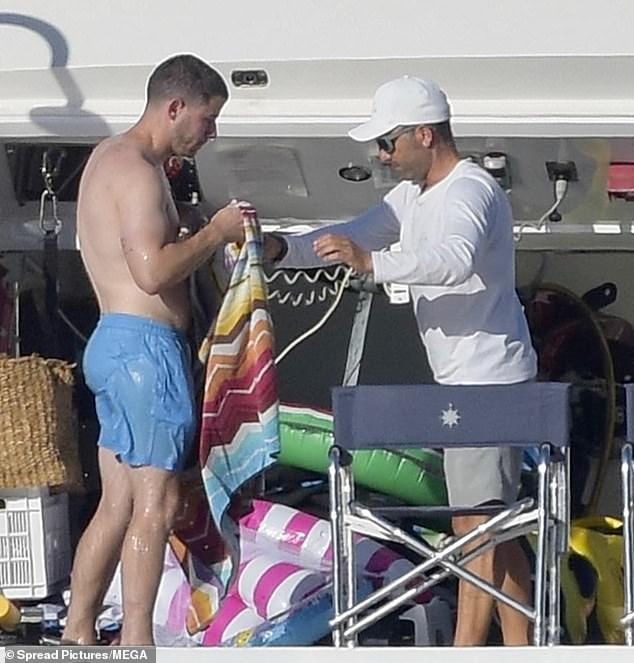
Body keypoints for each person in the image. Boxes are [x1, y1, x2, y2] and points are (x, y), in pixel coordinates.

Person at [265, 76, 538, 646]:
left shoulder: (471, 191)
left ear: (425, 134)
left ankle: (465, 652)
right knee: (494, 527)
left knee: (475, 526)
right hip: (467, 383)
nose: (381, 156)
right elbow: (352, 232)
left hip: (489, 383)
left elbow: (455, 260)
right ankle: (529, 647)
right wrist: (280, 249)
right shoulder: (410, 197)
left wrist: (373, 264)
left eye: (388, 143)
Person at [63, 54, 244, 646]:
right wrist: (216, 232)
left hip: (112, 344)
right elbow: (150, 272)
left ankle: (78, 632)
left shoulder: (105, 161)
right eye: (208, 119)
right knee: (156, 506)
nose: (211, 133)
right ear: (175, 108)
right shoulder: (141, 174)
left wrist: (185, 220)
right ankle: (138, 639)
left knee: (115, 504)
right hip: (146, 352)